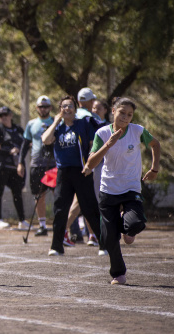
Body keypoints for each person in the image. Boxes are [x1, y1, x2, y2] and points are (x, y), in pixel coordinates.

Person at [83, 97, 161, 285]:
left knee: (135, 223)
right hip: (108, 189)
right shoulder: (102, 133)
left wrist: (154, 169)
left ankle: (127, 226)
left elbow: (155, 144)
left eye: (129, 115)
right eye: (122, 113)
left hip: (131, 188)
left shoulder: (137, 131)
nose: (125, 117)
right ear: (113, 111)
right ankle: (118, 273)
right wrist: (108, 144)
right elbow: (90, 163)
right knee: (108, 238)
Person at [41, 95, 102, 256]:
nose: (67, 108)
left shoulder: (83, 124)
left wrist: (90, 165)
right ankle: (56, 246)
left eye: (70, 106)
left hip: (82, 171)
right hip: (64, 173)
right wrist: (56, 121)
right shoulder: (58, 127)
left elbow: (93, 146)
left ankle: (104, 244)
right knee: (60, 210)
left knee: (89, 209)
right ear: (60, 110)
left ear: (75, 109)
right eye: (64, 106)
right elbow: (46, 140)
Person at [21, 96, 56, 236]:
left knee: (57, 195)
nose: (43, 109)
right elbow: (25, 144)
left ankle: (61, 224)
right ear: (36, 108)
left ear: (50, 108)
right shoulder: (31, 124)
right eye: (41, 107)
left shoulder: (55, 122)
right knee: (38, 196)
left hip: (53, 164)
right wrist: (20, 162)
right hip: (37, 164)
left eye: (46, 106)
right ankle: (42, 225)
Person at [0, 106, 27, 229]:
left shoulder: (18, 129)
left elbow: (26, 143)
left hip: (16, 166)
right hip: (2, 166)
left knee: (17, 192)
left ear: (11, 115)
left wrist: (20, 151)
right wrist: (8, 150)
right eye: (1, 116)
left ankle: (22, 220)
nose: (4, 117)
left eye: (6, 115)